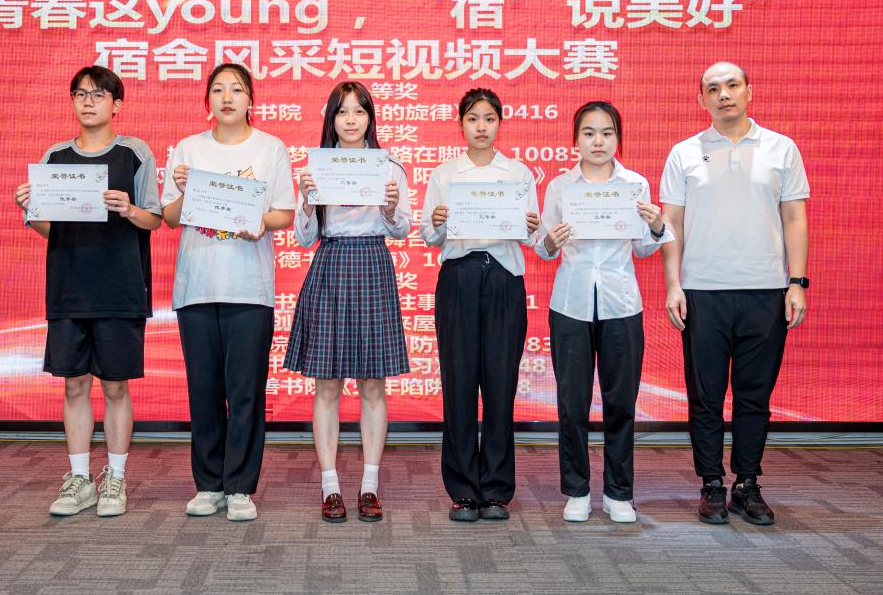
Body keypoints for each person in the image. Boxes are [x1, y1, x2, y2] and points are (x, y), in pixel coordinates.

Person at [660, 62, 809, 526]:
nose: (723, 94)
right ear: (701, 99)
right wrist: (673, 284)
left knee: (753, 396)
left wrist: (797, 282)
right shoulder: (684, 153)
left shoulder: (781, 148)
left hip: (766, 291)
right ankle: (711, 483)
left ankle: (747, 483)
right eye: (712, 88)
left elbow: (794, 217)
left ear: (749, 92)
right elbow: (671, 224)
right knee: (705, 397)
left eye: (731, 85)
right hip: (702, 292)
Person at [13, 65, 162, 517]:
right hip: (69, 287)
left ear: (117, 105)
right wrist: (30, 210)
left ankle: (115, 477)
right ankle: (79, 478)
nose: (88, 102)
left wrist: (129, 209)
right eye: (81, 94)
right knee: (74, 385)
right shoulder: (55, 157)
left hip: (120, 287)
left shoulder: (134, 153)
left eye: (98, 95)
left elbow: (154, 219)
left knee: (116, 386)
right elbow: (49, 229)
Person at [161, 63, 295, 522]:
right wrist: (184, 189)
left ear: (251, 99)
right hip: (197, 285)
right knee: (203, 391)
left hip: (249, 288)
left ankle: (239, 486)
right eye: (218, 90)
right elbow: (171, 217)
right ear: (208, 101)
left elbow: (284, 213)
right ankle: (208, 484)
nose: (227, 97)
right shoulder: (189, 148)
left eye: (236, 89)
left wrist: (257, 222)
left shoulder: (270, 148)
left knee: (244, 392)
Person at [537, 101, 673, 524]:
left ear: (618, 139)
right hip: (571, 303)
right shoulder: (561, 187)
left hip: (621, 303)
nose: (598, 141)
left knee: (621, 402)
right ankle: (577, 490)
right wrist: (551, 240)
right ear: (575, 140)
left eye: (607, 132)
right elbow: (542, 247)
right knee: (572, 403)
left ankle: (619, 493)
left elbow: (644, 248)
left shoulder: (634, 185)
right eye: (589, 133)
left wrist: (656, 225)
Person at [285, 81, 411, 523]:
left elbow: (402, 230)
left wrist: (390, 209)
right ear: (331, 119)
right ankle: (331, 487)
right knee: (327, 385)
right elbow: (304, 239)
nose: (352, 120)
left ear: (371, 117)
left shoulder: (390, 167)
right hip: (332, 262)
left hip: (373, 263)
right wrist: (307, 201)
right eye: (342, 112)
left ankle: (370, 486)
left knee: (373, 385)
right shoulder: (316, 167)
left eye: (359, 111)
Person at [419, 88, 540, 522]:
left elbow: (533, 239)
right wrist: (436, 222)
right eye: (473, 119)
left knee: (501, 385)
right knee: (459, 383)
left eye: (489, 118)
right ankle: (463, 491)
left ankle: (496, 491)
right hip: (459, 278)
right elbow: (428, 236)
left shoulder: (518, 173)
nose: (482, 127)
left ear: (500, 123)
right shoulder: (445, 173)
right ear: (461, 124)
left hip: (504, 279)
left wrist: (531, 226)